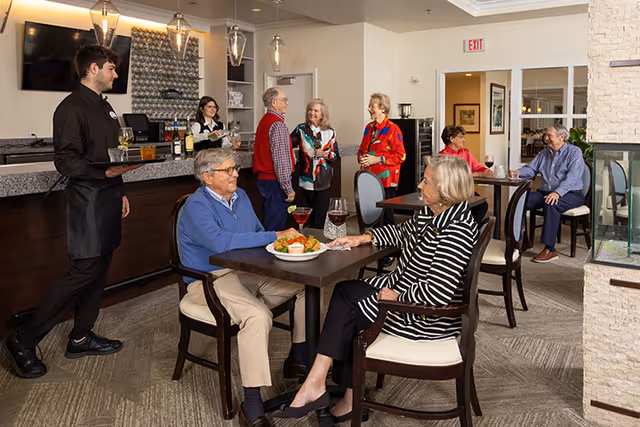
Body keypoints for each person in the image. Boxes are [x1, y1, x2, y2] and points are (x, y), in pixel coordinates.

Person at [275, 156, 479, 423]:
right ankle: (337, 390)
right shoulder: (434, 213)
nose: (419, 184)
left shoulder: (456, 229)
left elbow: (438, 292)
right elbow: (402, 232)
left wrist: (400, 296)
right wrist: (363, 237)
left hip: (425, 316)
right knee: (345, 293)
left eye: (426, 181)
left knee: (347, 305)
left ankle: (322, 384)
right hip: (405, 292)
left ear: (444, 190)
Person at [1, 45, 143, 378]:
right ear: (93, 68)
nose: (115, 74)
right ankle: (23, 339)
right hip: (87, 200)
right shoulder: (70, 107)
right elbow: (66, 161)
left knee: (101, 266)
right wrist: (106, 176)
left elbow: (112, 156)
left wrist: (118, 188)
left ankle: (80, 336)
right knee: (84, 269)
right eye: (111, 68)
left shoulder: (106, 109)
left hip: (108, 197)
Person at [180, 148, 308, 427]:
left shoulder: (241, 197)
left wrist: (284, 250)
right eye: (228, 170)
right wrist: (277, 234)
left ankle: (298, 358)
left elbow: (255, 234)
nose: (236, 173)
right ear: (207, 177)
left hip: (245, 272)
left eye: (234, 168)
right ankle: (251, 405)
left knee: (305, 286)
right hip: (209, 280)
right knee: (257, 315)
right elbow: (221, 243)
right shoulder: (195, 206)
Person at [509, 123, 585, 263]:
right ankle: (522, 240)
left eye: (549, 135)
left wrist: (557, 192)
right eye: (546, 135)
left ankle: (550, 249)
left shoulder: (574, 152)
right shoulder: (545, 153)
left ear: (561, 137)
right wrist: (517, 173)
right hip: (546, 192)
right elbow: (531, 169)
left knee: (552, 203)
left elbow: (573, 177)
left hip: (572, 193)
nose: (546, 138)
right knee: (519, 200)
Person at [357, 93, 406, 227]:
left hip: (386, 179)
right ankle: (376, 241)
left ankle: (391, 243)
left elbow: (401, 155)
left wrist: (378, 159)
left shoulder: (393, 129)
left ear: (383, 108)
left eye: (373, 106)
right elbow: (361, 149)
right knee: (373, 213)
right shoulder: (369, 128)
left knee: (386, 214)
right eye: (369, 106)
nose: (369, 109)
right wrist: (361, 158)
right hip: (369, 177)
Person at [290, 99, 340, 229]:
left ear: (322, 114)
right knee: (305, 218)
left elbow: (336, 157)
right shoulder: (300, 129)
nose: (311, 113)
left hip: (324, 181)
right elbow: (286, 145)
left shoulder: (330, 132)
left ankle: (319, 244)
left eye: (315, 110)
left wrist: (325, 154)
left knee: (320, 218)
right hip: (305, 180)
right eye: (310, 110)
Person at [254, 87, 295, 231]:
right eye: (284, 100)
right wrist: (288, 189)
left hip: (265, 181)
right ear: (274, 102)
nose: (287, 103)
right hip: (274, 182)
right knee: (275, 228)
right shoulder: (277, 124)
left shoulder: (265, 121)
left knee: (268, 222)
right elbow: (280, 161)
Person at [439, 125, 492, 224]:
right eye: (460, 137)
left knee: (482, 205)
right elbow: (456, 176)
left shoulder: (465, 152)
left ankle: (471, 229)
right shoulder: (442, 156)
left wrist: (486, 171)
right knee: (477, 206)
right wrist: (479, 174)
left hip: (467, 192)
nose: (463, 139)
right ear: (451, 139)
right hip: (452, 193)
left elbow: (477, 166)